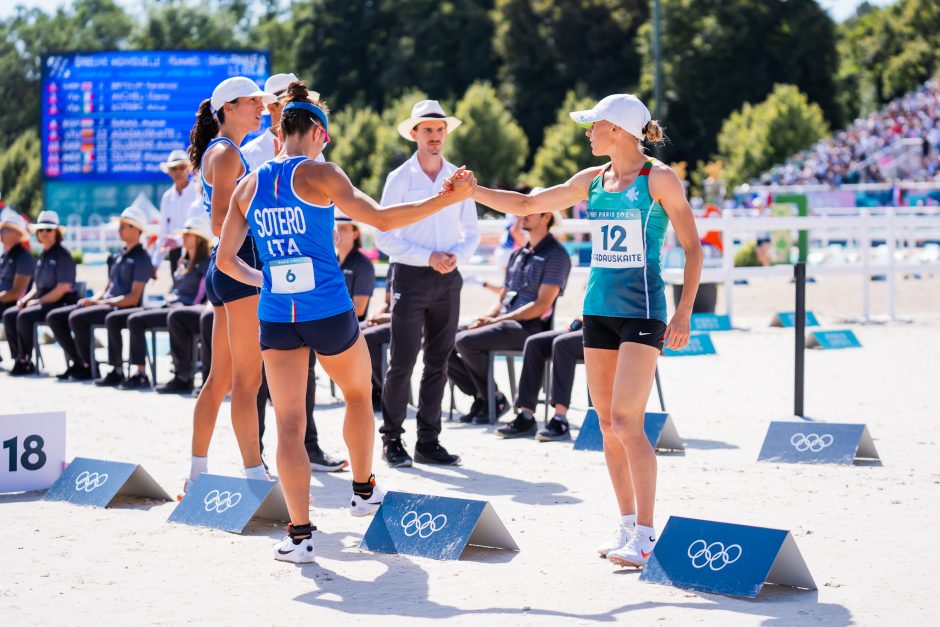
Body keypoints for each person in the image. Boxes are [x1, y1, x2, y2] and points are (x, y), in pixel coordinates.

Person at [216, 80, 476, 562]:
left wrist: (269, 278)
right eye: (326, 137)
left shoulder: (247, 186)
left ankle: (299, 537)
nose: (325, 144)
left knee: (289, 425)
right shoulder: (321, 174)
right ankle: (362, 490)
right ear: (316, 131)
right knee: (359, 393)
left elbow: (227, 261)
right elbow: (383, 220)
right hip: (328, 309)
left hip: (277, 315)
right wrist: (446, 199)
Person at [467, 94, 702, 568]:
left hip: (643, 311)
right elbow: (528, 203)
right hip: (598, 311)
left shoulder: (658, 178)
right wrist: (471, 192)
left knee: (627, 421)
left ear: (616, 130)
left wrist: (683, 314)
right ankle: (627, 525)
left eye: (593, 126)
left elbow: (693, 248)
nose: (588, 133)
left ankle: (647, 534)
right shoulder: (592, 180)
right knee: (607, 425)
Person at [182, 76, 276, 491]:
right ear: (227, 108)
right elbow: (221, 220)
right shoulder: (224, 152)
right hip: (238, 266)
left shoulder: (223, 150)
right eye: (252, 102)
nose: (261, 108)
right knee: (246, 381)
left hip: (226, 268)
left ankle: (197, 473)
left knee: (220, 379)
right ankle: (254, 474)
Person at [375, 99, 480, 468]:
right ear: (415, 134)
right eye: (427, 130)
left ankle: (428, 441)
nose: (435, 136)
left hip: (448, 279)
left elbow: (472, 232)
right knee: (402, 361)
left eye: (439, 130)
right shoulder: (399, 178)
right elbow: (383, 237)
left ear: (445, 133)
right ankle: (391, 439)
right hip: (410, 276)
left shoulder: (460, 178)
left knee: (439, 361)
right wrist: (428, 257)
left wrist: (455, 257)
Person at [448, 210, 571, 425]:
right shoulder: (518, 253)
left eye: (530, 211)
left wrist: (496, 320)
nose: (522, 215)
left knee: (464, 341)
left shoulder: (557, 254)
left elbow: (542, 305)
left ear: (546, 217)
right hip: (507, 322)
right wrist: (485, 318)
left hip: (530, 328)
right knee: (443, 341)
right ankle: (486, 396)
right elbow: (503, 297)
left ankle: (492, 398)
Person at [46, 206, 154, 382]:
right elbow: (107, 287)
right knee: (56, 317)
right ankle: (81, 362)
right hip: (108, 304)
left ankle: (99, 367)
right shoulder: (118, 255)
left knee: (77, 318)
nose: (119, 229)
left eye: (124, 225)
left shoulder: (142, 257)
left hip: (122, 307)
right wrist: (93, 299)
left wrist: (101, 303)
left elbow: (133, 298)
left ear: (136, 229)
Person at [114, 216, 212, 390]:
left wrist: (185, 306)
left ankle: (182, 375)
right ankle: (140, 373)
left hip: (186, 309)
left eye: (188, 235)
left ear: (199, 239)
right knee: (134, 319)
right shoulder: (183, 262)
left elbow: (202, 295)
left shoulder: (205, 263)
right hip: (172, 306)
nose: (183, 238)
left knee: (175, 317)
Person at [4, 211, 78, 375]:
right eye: (41, 230)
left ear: (57, 232)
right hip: (44, 302)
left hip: (60, 302)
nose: (44, 233)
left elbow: (62, 289)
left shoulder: (63, 255)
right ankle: (20, 358)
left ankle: (25, 360)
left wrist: (38, 302)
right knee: (11, 314)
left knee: (24, 316)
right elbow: (37, 286)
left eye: (49, 230)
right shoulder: (43, 256)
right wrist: (25, 300)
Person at [495, 318, 584, 441]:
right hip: (589, 324)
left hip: (609, 329)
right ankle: (526, 417)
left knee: (562, 344)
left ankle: (560, 420)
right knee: (534, 343)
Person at [151, 149, 199, 276]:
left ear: (188, 169)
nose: (178, 171)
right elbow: (163, 231)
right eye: (174, 168)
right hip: (175, 253)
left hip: (196, 251)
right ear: (169, 172)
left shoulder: (198, 192)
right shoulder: (167, 197)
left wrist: (178, 241)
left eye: (182, 167)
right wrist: (156, 263)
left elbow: (201, 225)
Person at [0, 208, 37, 360]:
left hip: (16, 302)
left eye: (5, 229)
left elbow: (17, 292)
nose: (1, 232)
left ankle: (21, 359)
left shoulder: (24, 256)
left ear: (18, 234)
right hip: (4, 300)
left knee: (10, 315)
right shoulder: (4, 256)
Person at [361, 266, 393, 412]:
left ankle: (381, 390)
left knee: (367, 338)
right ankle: (365, 388)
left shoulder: (414, 263)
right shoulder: (393, 265)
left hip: (406, 322)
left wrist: (382, 318)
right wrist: (374, 317)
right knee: (355, 331)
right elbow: (387, 302)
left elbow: (414, 311)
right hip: (389, 319)